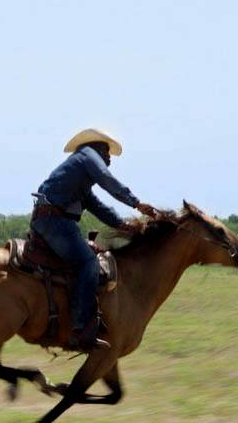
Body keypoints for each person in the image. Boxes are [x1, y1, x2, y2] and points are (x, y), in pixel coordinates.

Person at [31, 128, 158, 351]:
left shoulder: (78, 174)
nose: (109, 159)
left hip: (49, 220)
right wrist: (136, 203)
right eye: (107, 153)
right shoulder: (88, 156)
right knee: (88, 262)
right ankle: (79, 329)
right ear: (98, 148)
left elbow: (95, 204)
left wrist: (120, 224)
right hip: (56, 221)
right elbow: (107, 180)